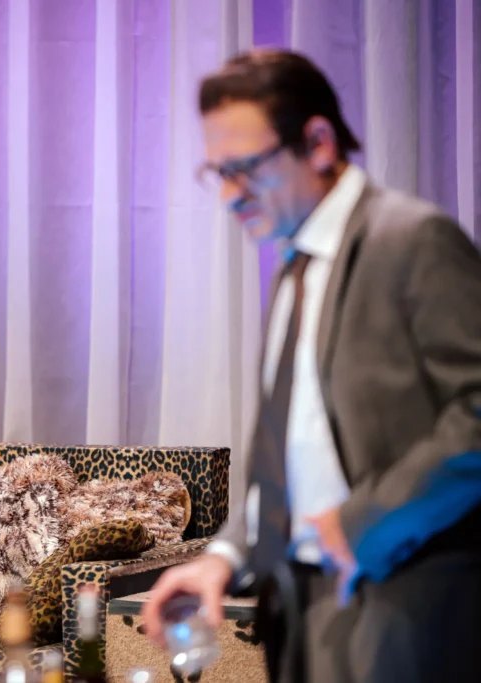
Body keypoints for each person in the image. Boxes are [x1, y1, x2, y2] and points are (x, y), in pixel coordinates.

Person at [142, 49, 481, 682]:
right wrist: (221, 558)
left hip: (404, 611)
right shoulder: (294, 266)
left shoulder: (412, 240)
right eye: (217, 173)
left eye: (244, 169)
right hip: (303, 616)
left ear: (319, 143)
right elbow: (287, 461)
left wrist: (365, 523)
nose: (229, 196)